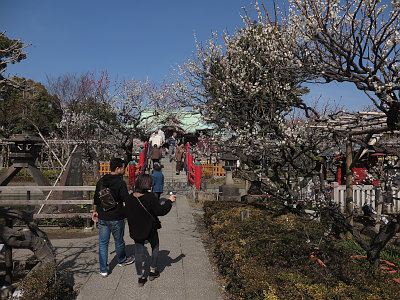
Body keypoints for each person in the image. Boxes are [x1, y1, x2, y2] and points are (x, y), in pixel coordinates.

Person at [125, 174, 176, 287]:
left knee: (138, 252)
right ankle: (152, 271)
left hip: (136, 229)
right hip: (150, 229)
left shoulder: (129, 198)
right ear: (147, 184)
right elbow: (160, 211)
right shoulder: (150, 197)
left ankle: (140, 277)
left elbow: (125, 213)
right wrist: (169, 201)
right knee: (155, 246)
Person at [92, 158, 134, 277]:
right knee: (119, 240)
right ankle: (121, 260)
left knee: (103, 243)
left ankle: (103, 269)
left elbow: (96, 198)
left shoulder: (101, 181)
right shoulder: (121, 183)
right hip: (116, 216)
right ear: (117, 169)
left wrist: (94, 211)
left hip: (103, 216)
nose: (124, 170)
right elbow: (125, 199)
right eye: (123, 168)